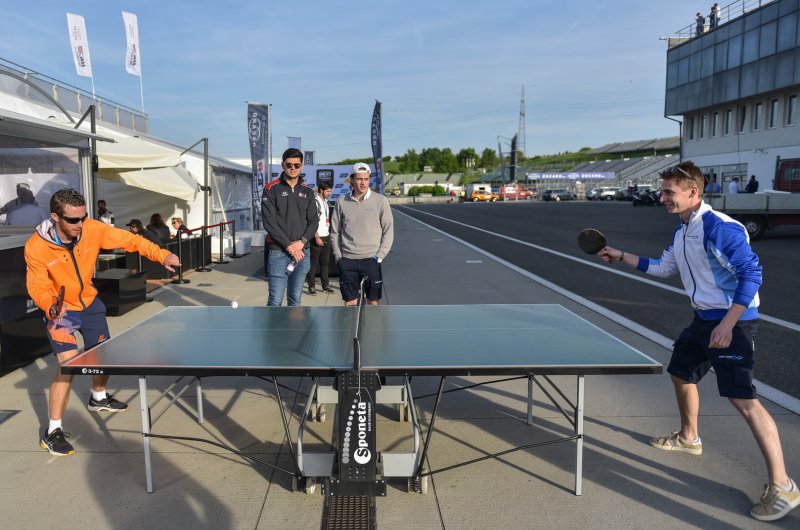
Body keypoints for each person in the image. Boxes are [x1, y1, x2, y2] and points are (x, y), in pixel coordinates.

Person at [597, 162, 798, 522]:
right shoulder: (683, 230)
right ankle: (689, 438)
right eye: (662, 191)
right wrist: (622, 255)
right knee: (681, 373)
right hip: (703, 320)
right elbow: (662, 267)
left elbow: (752, 274)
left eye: (669, 192)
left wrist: (728, 325)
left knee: (743, 399)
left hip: (733, 322)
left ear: (693, 192)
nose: (662, 197)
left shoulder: (720, 228)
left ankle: (783, 485)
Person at [25, 188, 181, 456]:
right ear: (55, 217)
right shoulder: (36, 246)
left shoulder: (92, 229)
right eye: (73, 220)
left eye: (83, 217)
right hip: (61, 311)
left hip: (89, 304)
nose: (80, 224)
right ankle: (53, 431)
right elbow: (37, 285)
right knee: (68, 366)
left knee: (101, 355)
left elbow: (131, 240)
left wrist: (161, 254)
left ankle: (98, 398)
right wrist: (51, 306)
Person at [330, 163, 394, 306]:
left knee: (373, 302)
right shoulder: (341, 202)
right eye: (359, 179)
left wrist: (380, 256)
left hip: (371, 261)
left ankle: (372, 324)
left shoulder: (381, 201)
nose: (363, 183)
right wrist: (338, 257)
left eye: (366, 179)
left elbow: (388, 230)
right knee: (350, 303)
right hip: (347, 261)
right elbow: (334, 232)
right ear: (352, 179)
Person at [261, 148, 318, 306]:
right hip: (278, 252)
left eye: (296, 165)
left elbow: (314, 221)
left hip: (302, 252)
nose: (293, 168)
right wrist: (289, 246)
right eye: (289, 165)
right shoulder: (270, 189)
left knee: (295, 300)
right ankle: (273, 325)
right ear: (283, 165)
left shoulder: (308, 191)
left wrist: (301, 242)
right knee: (275, 301)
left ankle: (292, 325)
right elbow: (269, 222)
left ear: (302, 166)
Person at [306, 181, 335, 295]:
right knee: (313, 263)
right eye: (327, 191)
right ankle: (311, 287)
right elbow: (311, 221)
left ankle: (325, 286)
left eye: (330, 191)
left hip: (326, 235)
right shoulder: (314, 202)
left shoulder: (326, 202)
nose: (329, 193)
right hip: (316, 237)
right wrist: (317, 237)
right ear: (321, 190)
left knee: (325, 263)